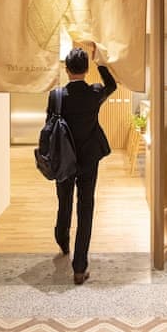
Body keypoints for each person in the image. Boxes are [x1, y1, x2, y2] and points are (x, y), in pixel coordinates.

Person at [49, 43, 116, 284]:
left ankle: (62, 241)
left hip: (63, 159)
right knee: (85, 207)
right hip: (88, 159)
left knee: (64, 201)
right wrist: (100, 62)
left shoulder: (56, 96)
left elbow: (49, 126)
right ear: (86, 70)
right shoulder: (94, 93)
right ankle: (79, 267)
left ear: (66, 69)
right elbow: (112, 85)